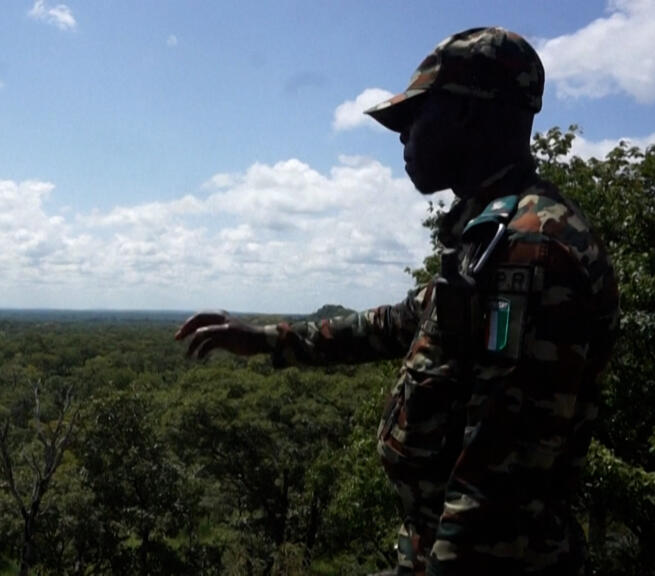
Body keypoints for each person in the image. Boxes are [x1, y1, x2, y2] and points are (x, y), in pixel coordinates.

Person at [175, 27, 619, 576]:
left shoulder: (528, 246)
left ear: (470, 116)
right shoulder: (495, 237)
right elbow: (398, 322)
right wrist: (265, 338)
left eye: (414, 119)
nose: (403, 139)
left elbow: (497, 480)